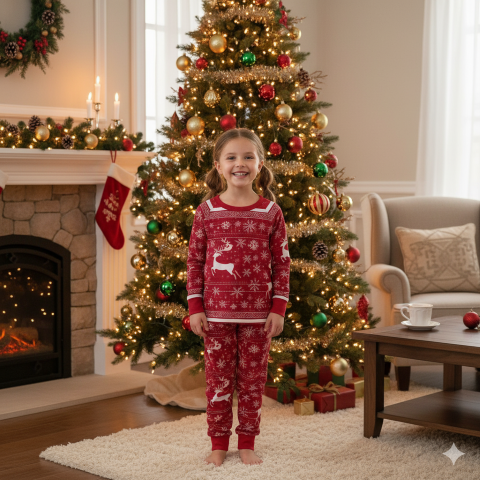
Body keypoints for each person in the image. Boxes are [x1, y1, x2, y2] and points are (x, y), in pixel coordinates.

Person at [186, 128, 291, 467]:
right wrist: (195, 307)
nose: (240, 164)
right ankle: (218, 443)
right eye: (231, 157)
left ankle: (247, 441)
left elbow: (282, 262)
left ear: (260, 164)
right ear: (218, 166)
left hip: (258, 318)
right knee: (218, 383)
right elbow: (195, 261)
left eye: (248, 157)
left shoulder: (271, 213)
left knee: (252, 382)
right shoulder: (206, 212)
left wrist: (278, 308)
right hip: (215, 315)